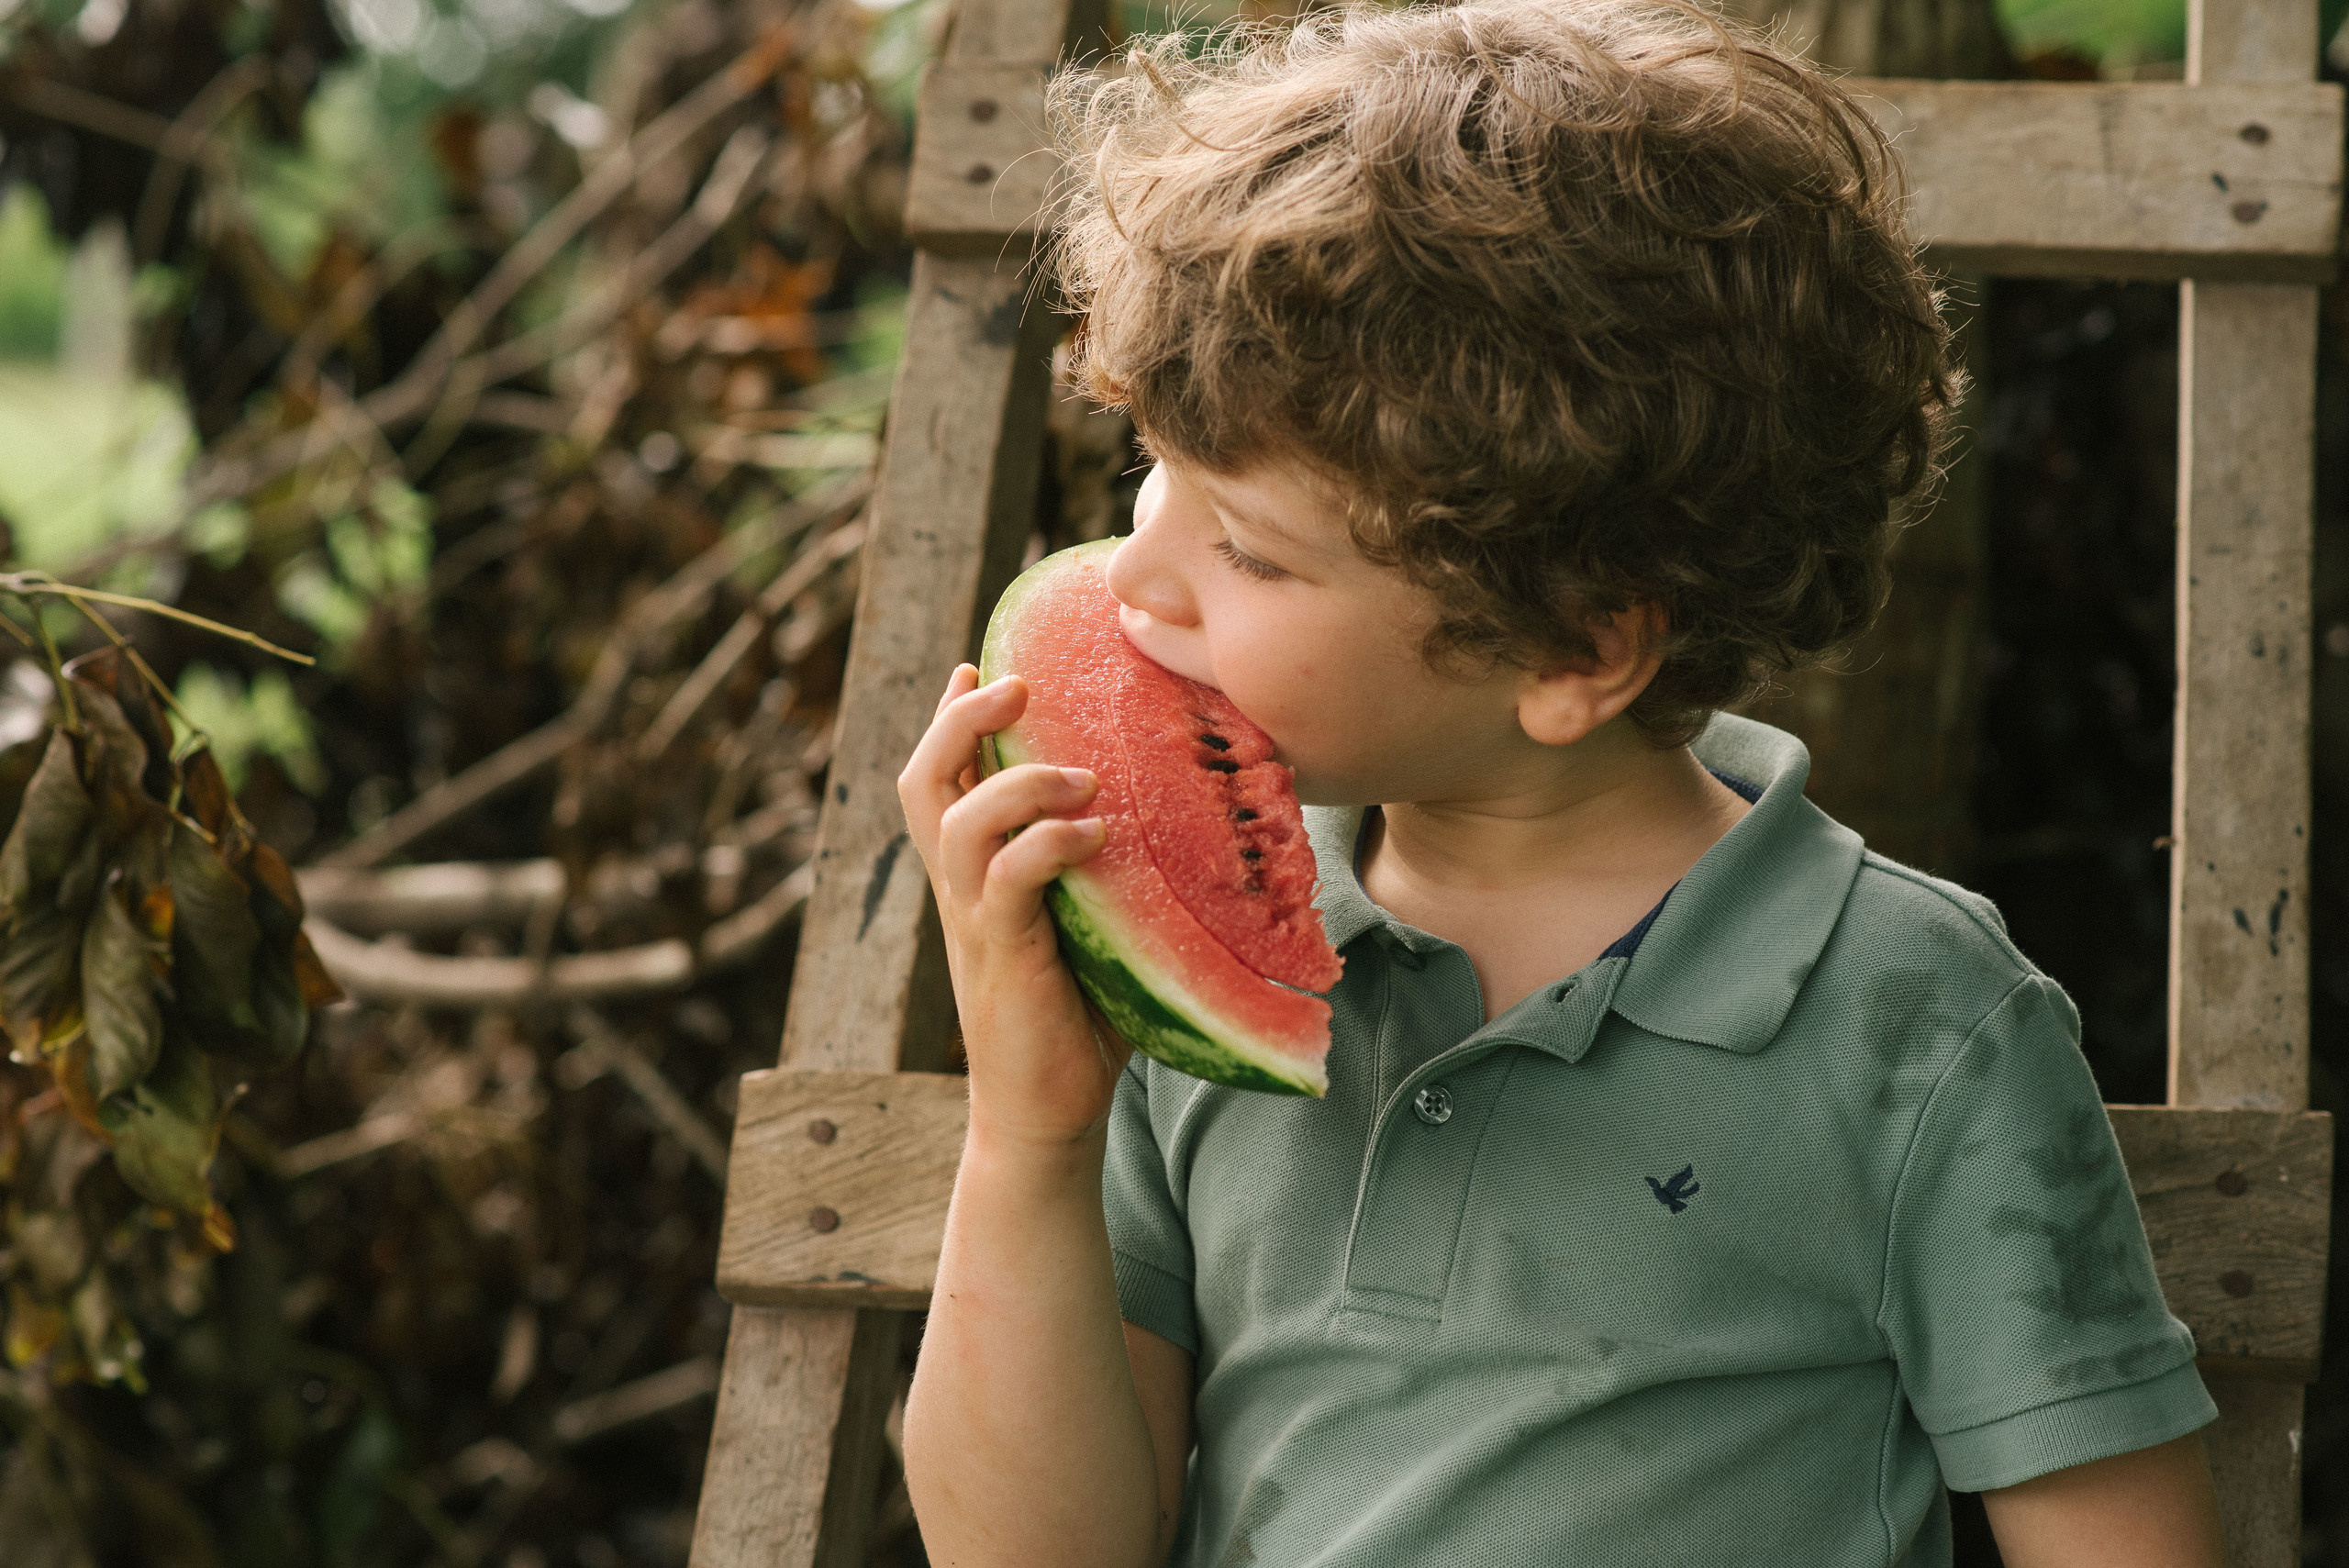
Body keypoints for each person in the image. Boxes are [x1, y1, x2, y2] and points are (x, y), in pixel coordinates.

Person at [894, 3, 2225, 1563]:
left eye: (1250, 547)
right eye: (1152, 472)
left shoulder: (1918, 1021)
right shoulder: (1177, 993)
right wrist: (1032, 1131)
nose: (1135, 576)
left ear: (1579, 651)